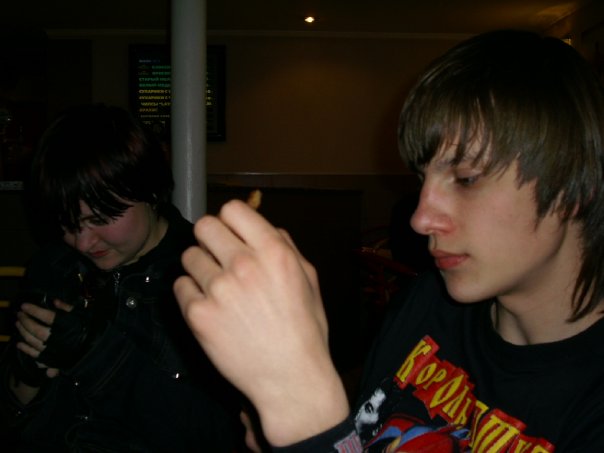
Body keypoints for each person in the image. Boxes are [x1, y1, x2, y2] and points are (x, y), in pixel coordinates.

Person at [173, 29, 604, 452]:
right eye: (422, 179)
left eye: (466, 179)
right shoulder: (429, 303)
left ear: (572, 188)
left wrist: (307, 421)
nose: (419, 219)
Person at [0, 104, 242, 451]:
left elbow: (225, 436)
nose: (83, 243)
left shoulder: (205, 278)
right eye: (68, 223)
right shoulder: (54, 266)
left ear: (151, 190)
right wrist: (26, 375)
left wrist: (98, 358)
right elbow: (13, 417)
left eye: (100, 219)